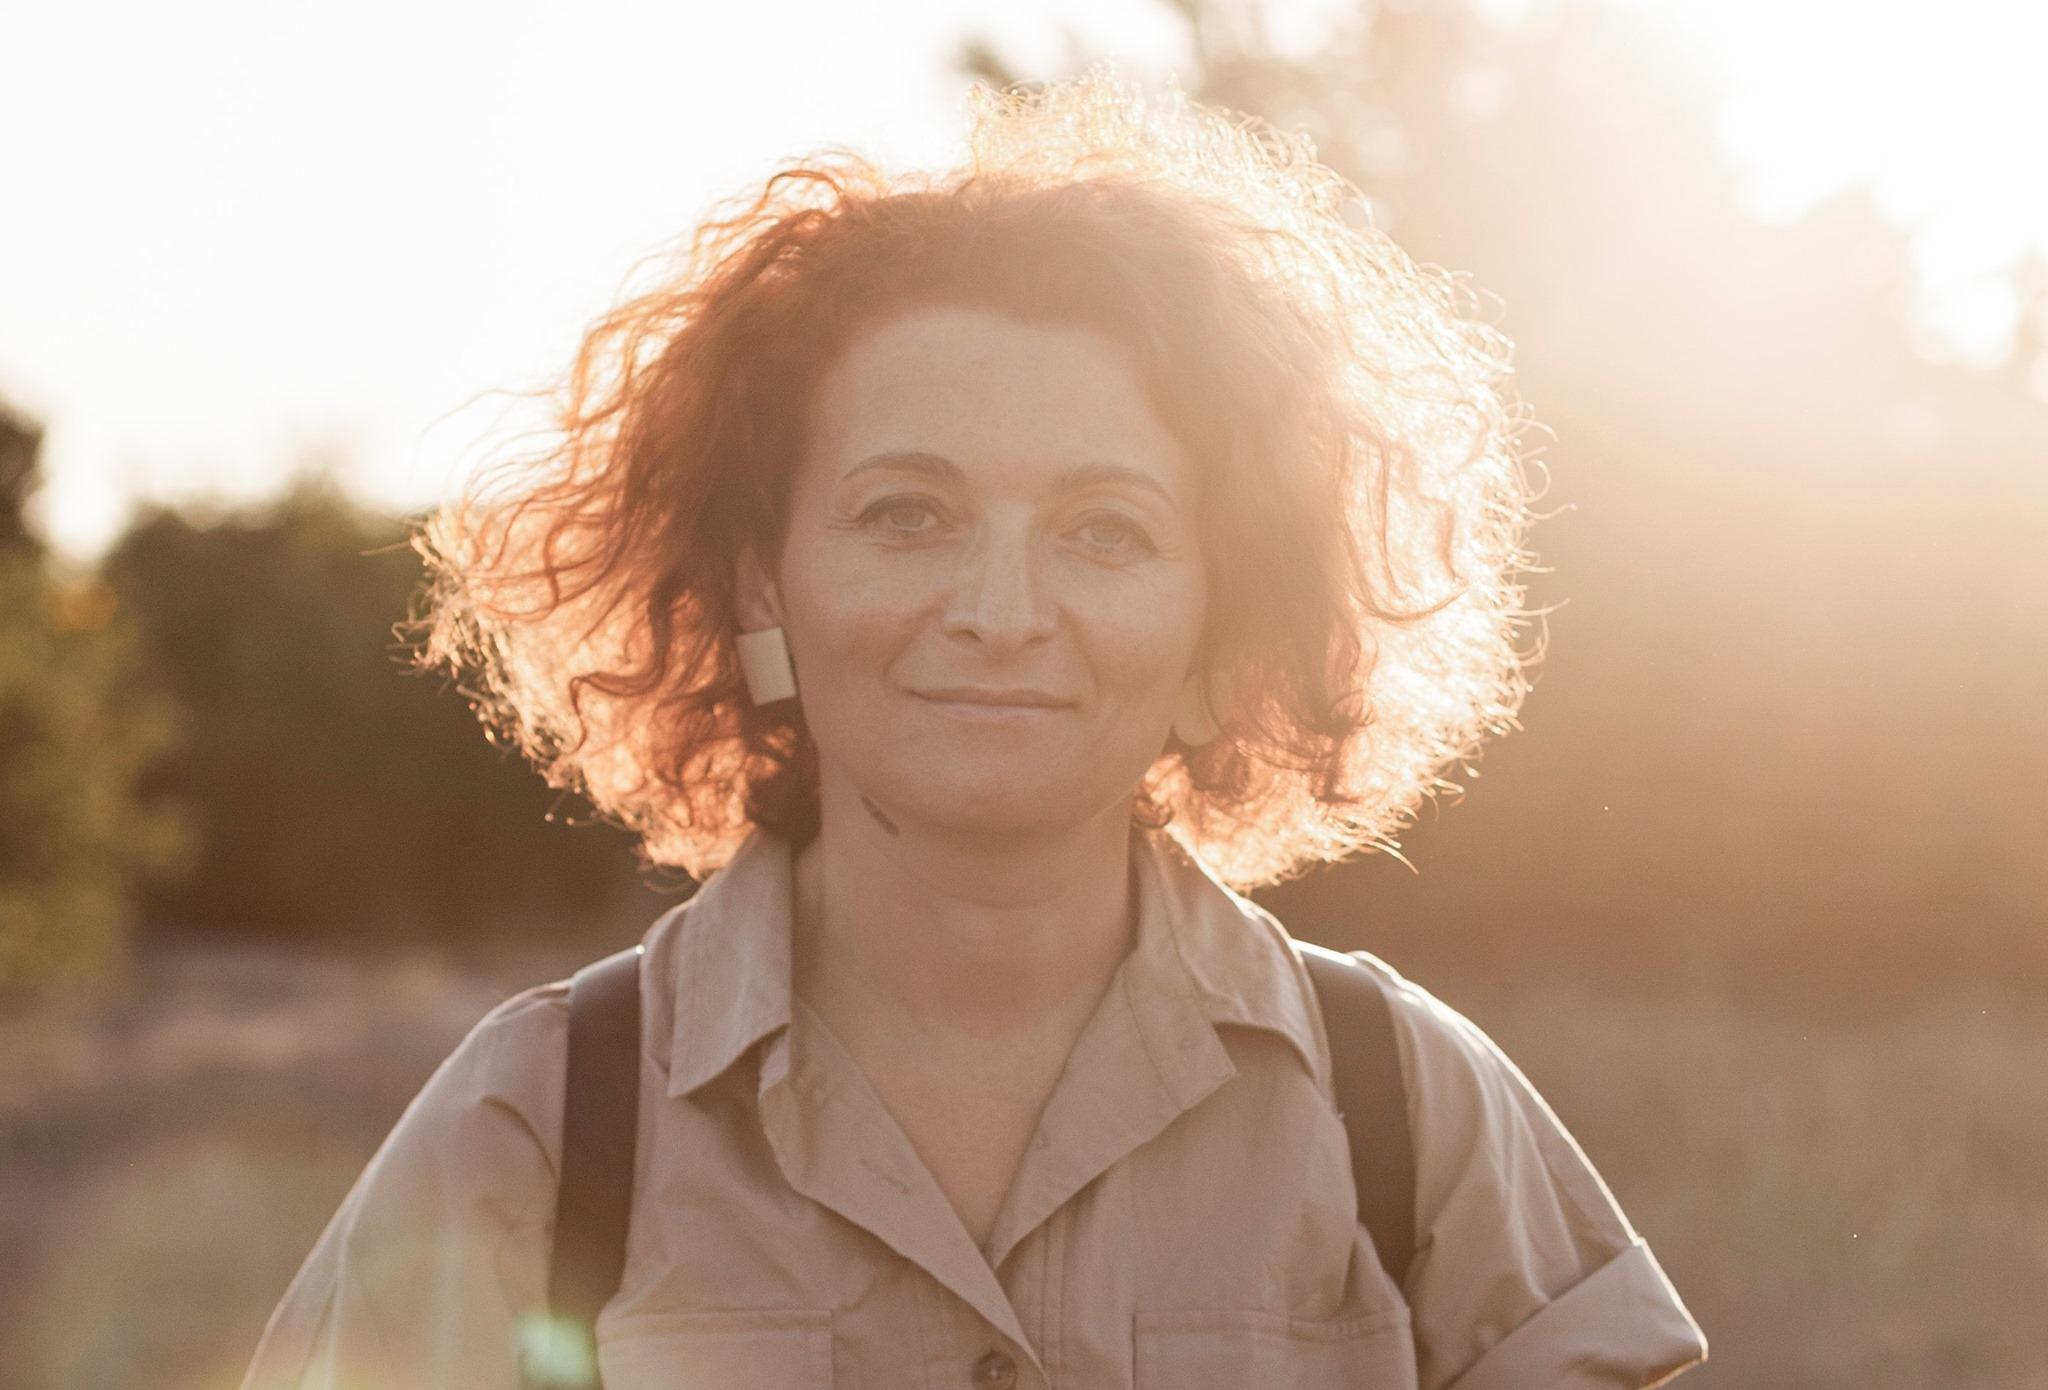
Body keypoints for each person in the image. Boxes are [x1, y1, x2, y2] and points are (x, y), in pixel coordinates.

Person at [242, 72, 1706, 1390]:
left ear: (1223, 605)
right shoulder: (546, 1127)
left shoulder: (1407, 1112)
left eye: (1103, 531)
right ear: (766, 579)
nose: (1002, 609)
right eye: (909, 514)